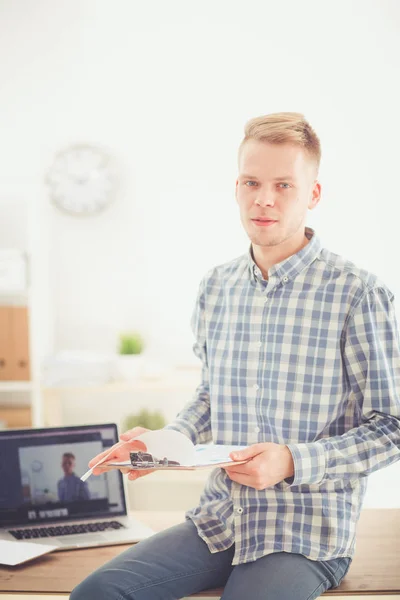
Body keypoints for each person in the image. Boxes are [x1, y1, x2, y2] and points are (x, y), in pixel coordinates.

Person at [70, 112, 400, 600]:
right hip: (220, 520)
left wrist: (292, 461)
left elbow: (391, 426)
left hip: (305, 534)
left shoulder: (358, 293)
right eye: (252, 182)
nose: (264, 198)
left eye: (284, 184)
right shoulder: (216, 287)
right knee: (96, 595)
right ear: (237, 187)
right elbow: (210, 394)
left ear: (313, 195)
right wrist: (167, 442)